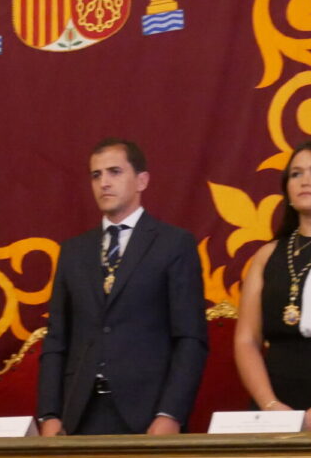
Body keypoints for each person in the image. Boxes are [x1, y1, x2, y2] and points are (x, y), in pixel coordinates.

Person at [38, 138, 208, 436]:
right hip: (80, 414)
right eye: (96, 175)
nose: (104, 183)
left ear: (142, 180)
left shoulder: (173, 244)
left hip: (148, 413)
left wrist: (171, 413)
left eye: (115, 172)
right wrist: (50, 415)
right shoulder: (73, 251)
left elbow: (190, 338)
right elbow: (56, 340)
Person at [235, 140, 311, 431]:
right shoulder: (266, 256)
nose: (305, 180)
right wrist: (271, 406)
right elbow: (246, 341)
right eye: (295, 173)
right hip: (274, 406)